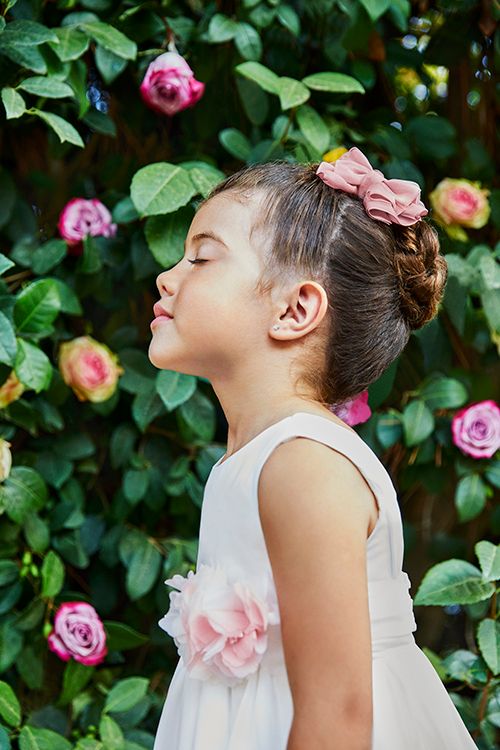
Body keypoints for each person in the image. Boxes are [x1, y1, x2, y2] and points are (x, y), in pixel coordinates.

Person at [148, 148, 479, 750]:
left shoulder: (303, 464)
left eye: (201, 257)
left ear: (295, 309)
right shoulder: (252, 459)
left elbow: (339, 716)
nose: (168, 277)